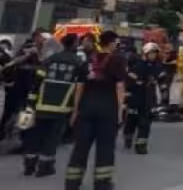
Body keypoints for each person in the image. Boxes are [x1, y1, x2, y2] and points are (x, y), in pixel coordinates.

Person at [65, 30, 127, 190]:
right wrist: (120, 112)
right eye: (116, 43)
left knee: (81, 146)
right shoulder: (118, 61)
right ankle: (102, 183)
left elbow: (79, 87)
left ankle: (72, 182)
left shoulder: (87, 61)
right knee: (105, 147)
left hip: (86, 108)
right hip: (107, 109)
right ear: (111, 43)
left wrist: (75, 110)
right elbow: (119, 87)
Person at [21, 33, 82, 177]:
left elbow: (36, 82)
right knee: (52, 137)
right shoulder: (78, 63)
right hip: (61, 108)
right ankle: (45, 167)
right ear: (74, 44)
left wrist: (30, 103)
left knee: (34, 135)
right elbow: (81, 86)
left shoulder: (49, 60)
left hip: (40, 106)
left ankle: (29, 166)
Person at [0, 30, 45, 140]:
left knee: (26, 111)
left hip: (31, 87)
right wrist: (28, 54)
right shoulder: (27, 47)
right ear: (36, 37)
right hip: (19, 85)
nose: (43, 40)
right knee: (10, 110)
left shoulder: (44, 51)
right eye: (42, 37)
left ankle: (21, 136)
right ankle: (5, 132)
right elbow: (13, 62)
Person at [123, 42, 165, 154]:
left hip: (149, 98)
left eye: (155, 53)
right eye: (151, 53)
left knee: (145, 123)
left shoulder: (158, 66)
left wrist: (164, 93)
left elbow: (162, 80)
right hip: (136, 97)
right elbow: (129, 81)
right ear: (145, 54)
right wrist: (129, 94)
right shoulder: (137, 65)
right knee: (131, 120)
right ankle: (128, 136)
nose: (153, 55)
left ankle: (141, 145)